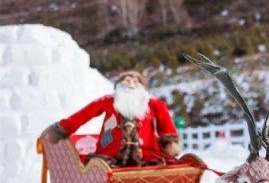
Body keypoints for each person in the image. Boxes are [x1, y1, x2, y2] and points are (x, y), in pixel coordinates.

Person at [42, 70, 181, 166]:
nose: (131, 84)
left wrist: (170, 142)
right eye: (127, 80)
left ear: (142, 88)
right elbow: (82, 116)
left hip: (147, 155)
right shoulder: (108, 101)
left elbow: (166, 124)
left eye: (136, 81)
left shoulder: (152, 104)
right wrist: (61, 129)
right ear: (119, 86)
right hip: (110, 156)